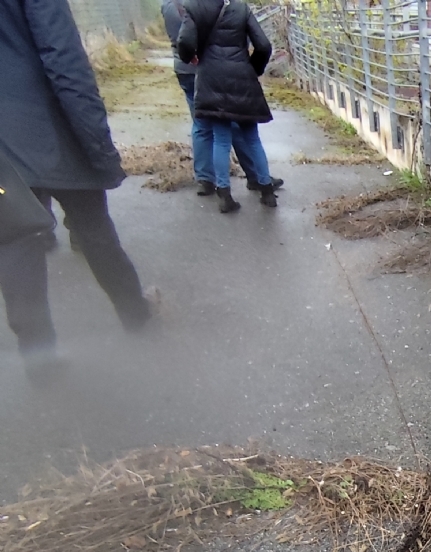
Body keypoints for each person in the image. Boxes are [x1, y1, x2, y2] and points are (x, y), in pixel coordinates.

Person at [0, 0, 156, 376]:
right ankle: (137, 317)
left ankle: (40, 359)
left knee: (15, 244)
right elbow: (63, 57)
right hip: (55, 129)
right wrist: (98, 147)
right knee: (95, 232)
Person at [160, 0, 281, 199]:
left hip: (203, 74)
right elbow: (264, 45)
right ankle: (261, 181)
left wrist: (189, 57)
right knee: (247, 133)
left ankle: (212, 184)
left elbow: (183, 40)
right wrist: (253, 69)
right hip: (235, 74)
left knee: (210, 132)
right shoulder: (237, 7)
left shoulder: (178, 6)